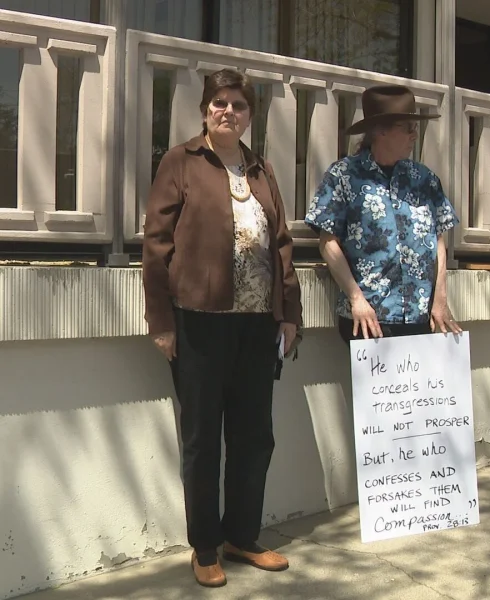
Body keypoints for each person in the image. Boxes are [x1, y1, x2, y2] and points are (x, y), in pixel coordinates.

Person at [142, 68, 302, 587]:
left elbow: (281, 242)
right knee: (203, 437)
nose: (227, 111)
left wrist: (290, 313)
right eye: (219, 103)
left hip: (257, 326)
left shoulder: (261, 169)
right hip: (199, 324)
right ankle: (205, 545)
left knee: (255, 436)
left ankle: (242, 535)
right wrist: (162, 320)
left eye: (237, 105)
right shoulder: (181, 162)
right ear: (205, 110)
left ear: (249, 115)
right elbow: (156, 244)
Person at [305, 84, 461, 342]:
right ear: (380, 131)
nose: (414, 135)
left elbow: (438, 240)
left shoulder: (424, 179)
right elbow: (327, 242)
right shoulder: (344, 176)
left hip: (421, 317)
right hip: (369, 319)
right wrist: (356, 298)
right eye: (407, 128)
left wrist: (440, 298)